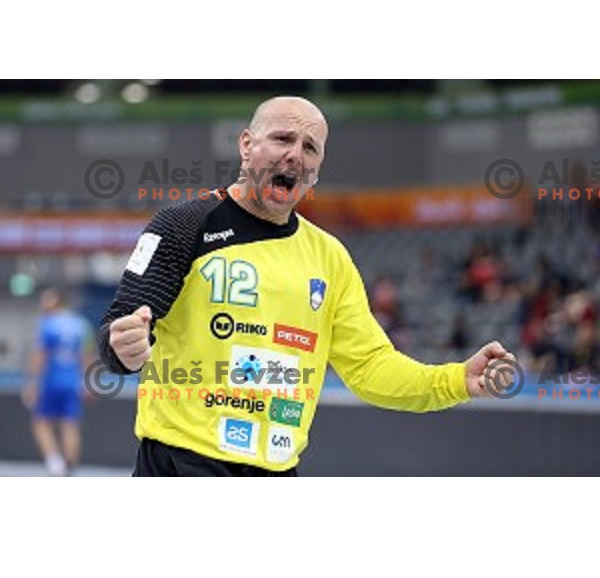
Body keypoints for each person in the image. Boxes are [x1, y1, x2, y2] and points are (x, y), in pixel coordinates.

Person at [98, 96, 515, 477]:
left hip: (278, 469)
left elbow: (371, 368)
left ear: (315, 172)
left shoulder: (330, 257)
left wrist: (459, 380)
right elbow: (121, 328)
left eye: (310, 148)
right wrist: (123, 348)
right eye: (283, 138)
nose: (295, 155)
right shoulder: (183, 225)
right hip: (180, 463)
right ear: (246, 145)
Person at [22, 288, 94, 476]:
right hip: (73, 382)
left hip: (51, 381)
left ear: (56, 302)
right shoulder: (81, 324)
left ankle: (55, 463)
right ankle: (70, 465)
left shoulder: (47, 324)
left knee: (40, 422)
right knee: (69, 423)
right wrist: (88, 383)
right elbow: (86, 356)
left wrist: (31, 382)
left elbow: (40, 356)